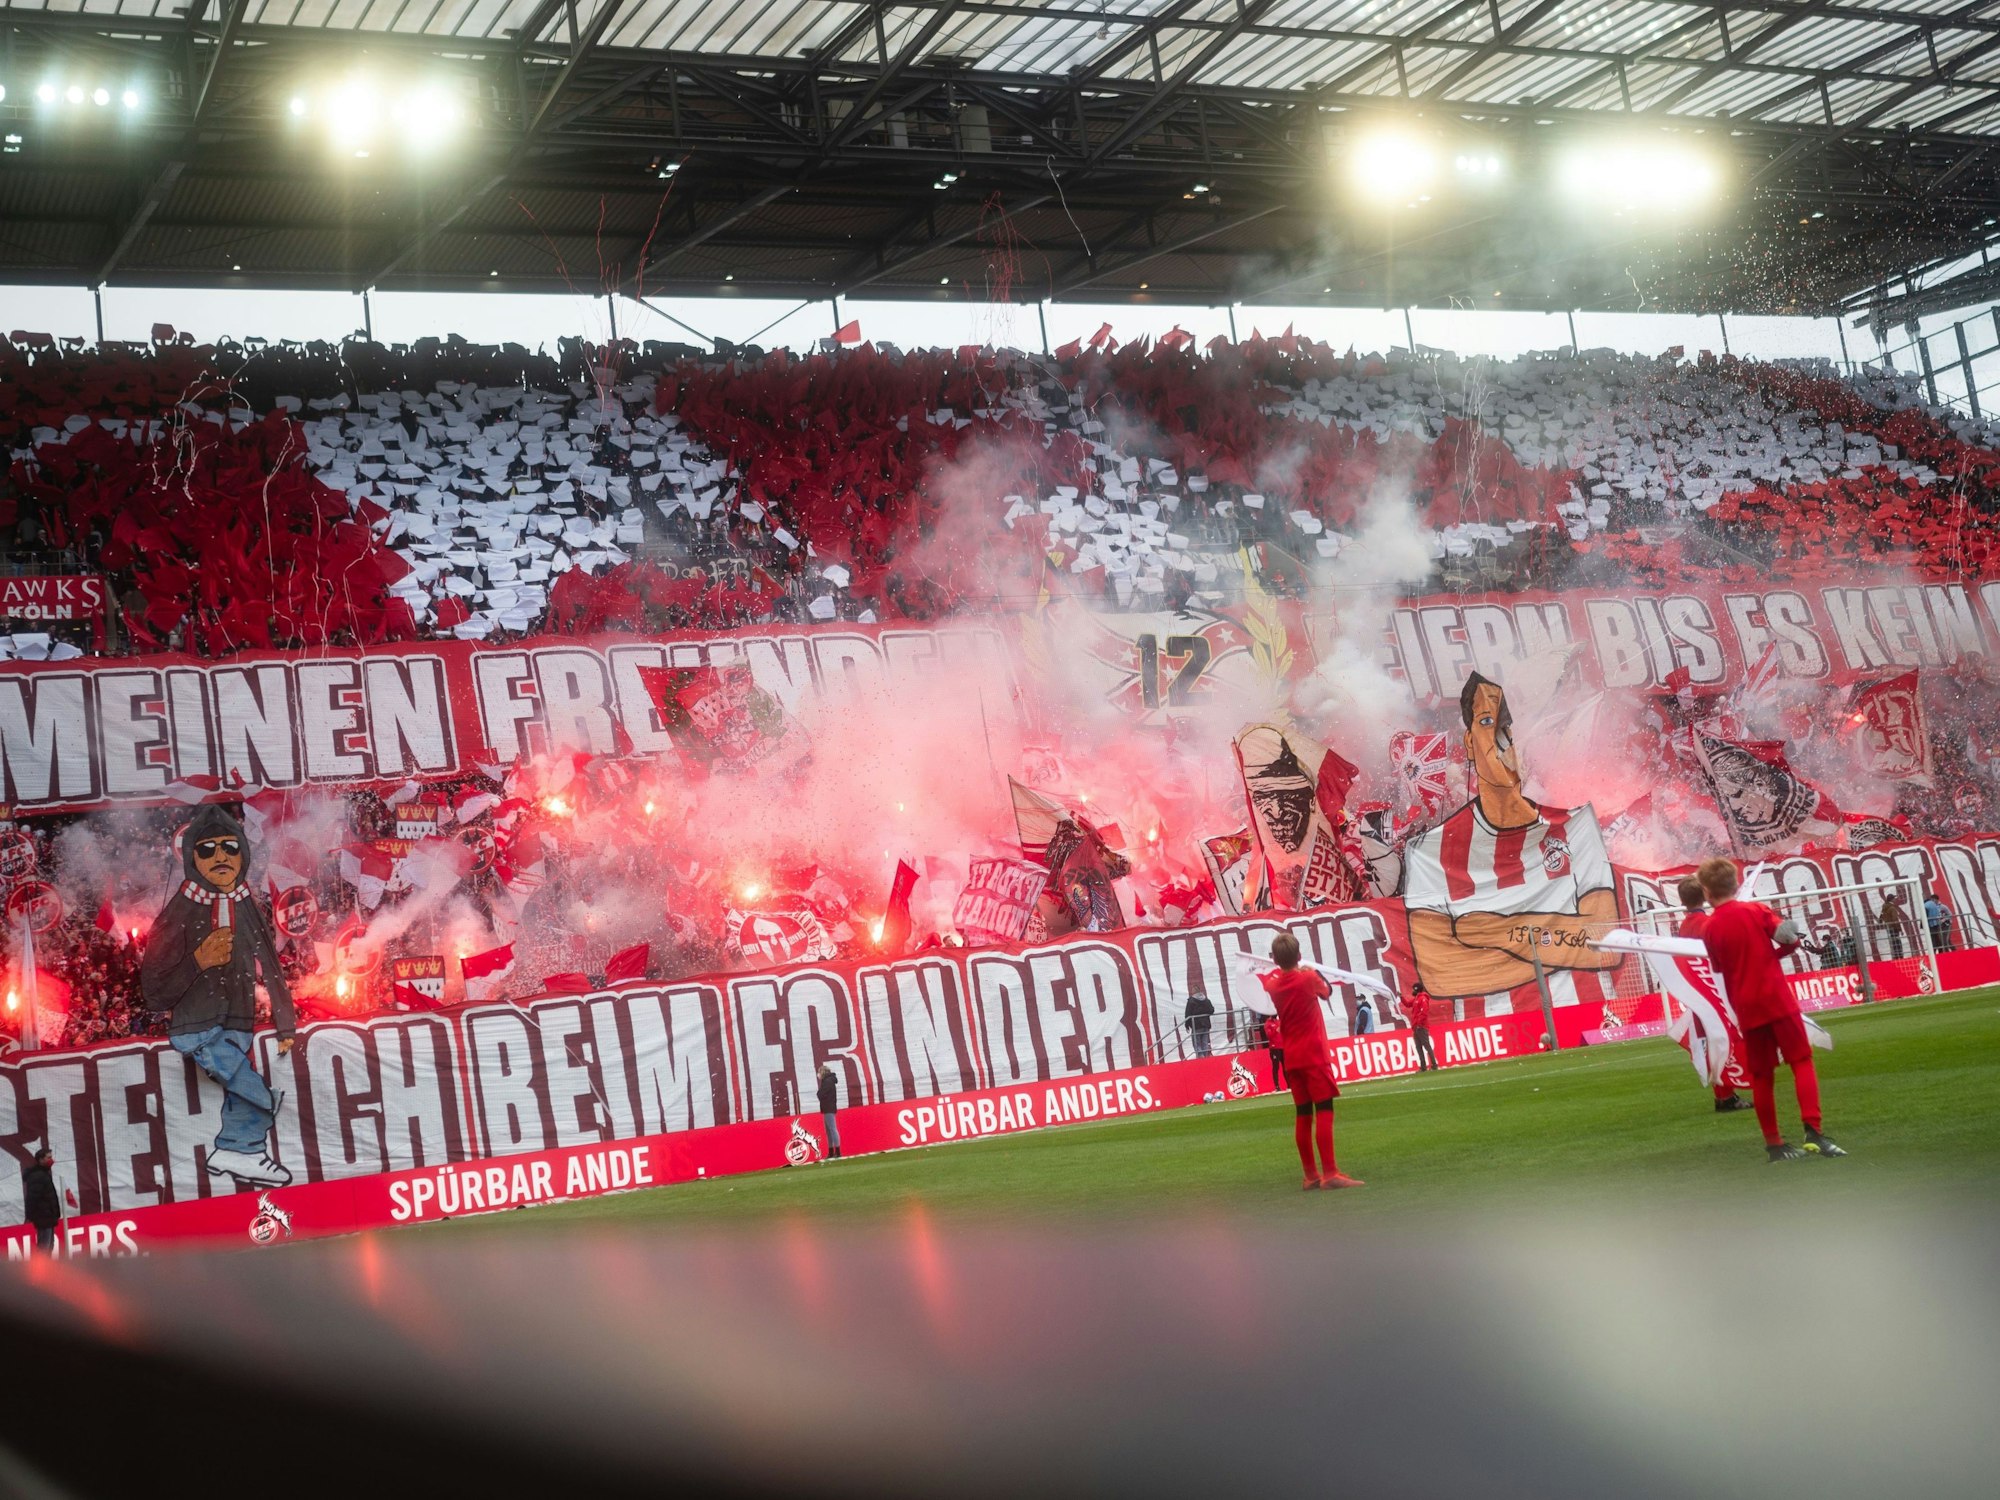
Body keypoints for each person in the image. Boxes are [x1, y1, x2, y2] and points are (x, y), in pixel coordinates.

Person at [1404, 672, 1619, 1000]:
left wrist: (1495, 931)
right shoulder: (1428, 851)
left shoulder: (1576, 825)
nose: (1504, 744)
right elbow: (1442, 976)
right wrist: (1559, 938)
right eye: (1488, 723)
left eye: (1510, 730)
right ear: (1469, 744)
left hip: (1594, 1020)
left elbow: (1606, 946)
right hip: (1490, 1044)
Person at [139, 806, 298, 1189]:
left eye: (229, 847)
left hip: (238, 1020)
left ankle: (237, 1151)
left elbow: (271, 966)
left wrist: (284, 1022)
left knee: (236, 1093)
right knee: (250, 1085)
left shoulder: (246, 905)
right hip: (194, 1026)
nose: (220, 857)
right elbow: (154, 991)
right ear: (192, 857)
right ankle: (267, 1101)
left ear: (242, 853)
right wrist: (198, 960)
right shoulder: (178, 910)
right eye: (207, 850)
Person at [1697, 857, 1846, 1163]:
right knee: (1801, 1061)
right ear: (1736, 883)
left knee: (1762, 1076)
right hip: (1777, 999)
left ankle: (1775, 1144)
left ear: (1707, 892)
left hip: (1746, 1006)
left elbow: (1722, 968)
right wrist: (1779, 951)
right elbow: (1788, 937)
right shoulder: (1755, 910)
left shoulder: (1710, 928)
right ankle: (1813, 1132)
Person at [1259, 933, 1363, 1191]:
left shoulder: (1272, 984)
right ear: (1298, 955)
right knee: (1324, 1111)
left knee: (1303, 1114)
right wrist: (1313, 969)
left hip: (1292, 1056)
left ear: (1276, 959)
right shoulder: (1307, 978)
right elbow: (1326, 991)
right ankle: (1330, 1173)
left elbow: (1270, 978)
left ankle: (1310, 1175)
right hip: (1314, 1053)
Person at [1675, 875, 1751, 1114]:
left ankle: (1724, 1095)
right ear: (1705, 894)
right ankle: (1725, 1095)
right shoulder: (1705, 924)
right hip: (1714, 992)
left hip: (1700, 993)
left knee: (1715, 1042)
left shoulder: (1684, 926)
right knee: (1725, 1041)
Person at [21, 1146, 60, 1253]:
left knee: (49, 1245)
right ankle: (41, 1268)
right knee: (44, 1246)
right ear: (41, 1159)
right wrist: (31, 1216)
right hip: (43, 1217)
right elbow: (32, 1198)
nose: (51, 1160)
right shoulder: (37, 1176)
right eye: (48, 1157)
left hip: (48, 1216)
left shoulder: (43, 1173)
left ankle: (47, 1268)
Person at [1406, 983, 1438, 1072]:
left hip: (1421, 1027)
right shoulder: (1416, 999)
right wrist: (1401, 997)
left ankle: (1434, 1065)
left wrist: (1419, 1024)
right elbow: (1408, 1004)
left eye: (1413, 989)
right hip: (1416, 1027)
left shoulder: (1422, 999)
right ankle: (1423, 1067)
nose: (1412, 991)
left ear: (1416, 989)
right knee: (1418, 1047)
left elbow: (1424, 1012)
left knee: (1426, 1046)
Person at [815, 1064, 842, 1161]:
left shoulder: (827, 1082)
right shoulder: (830, 1081)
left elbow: (820, 1094)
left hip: (828, 1107)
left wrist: (819, 1093)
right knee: (829, 1130)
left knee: (832, 1129)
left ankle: (837, 1151)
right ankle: (832, 1151)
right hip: (828, 1107)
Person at [1183, 991, 1215, 1058]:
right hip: (1206, 1024)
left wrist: (1187, 1025)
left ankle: (1200, 1057)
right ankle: (1205, 1057)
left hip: (1196, 1025)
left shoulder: (1191, 1001)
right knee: (1205, 1042)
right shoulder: (1206, 1000)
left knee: (1196, 1043)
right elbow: (1211, 1010)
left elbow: (1188, 1013)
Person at [1262, 1013, 1285, 1091]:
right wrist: (1276, 1030)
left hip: (1282, 1047)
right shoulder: (1267, 1024)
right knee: (1276, 1067)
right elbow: (1269, 1035)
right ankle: (1277, 1086)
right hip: (1274, 1048)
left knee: (1286, 1067)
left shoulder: (1278, 1021)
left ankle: (1289, 1085)